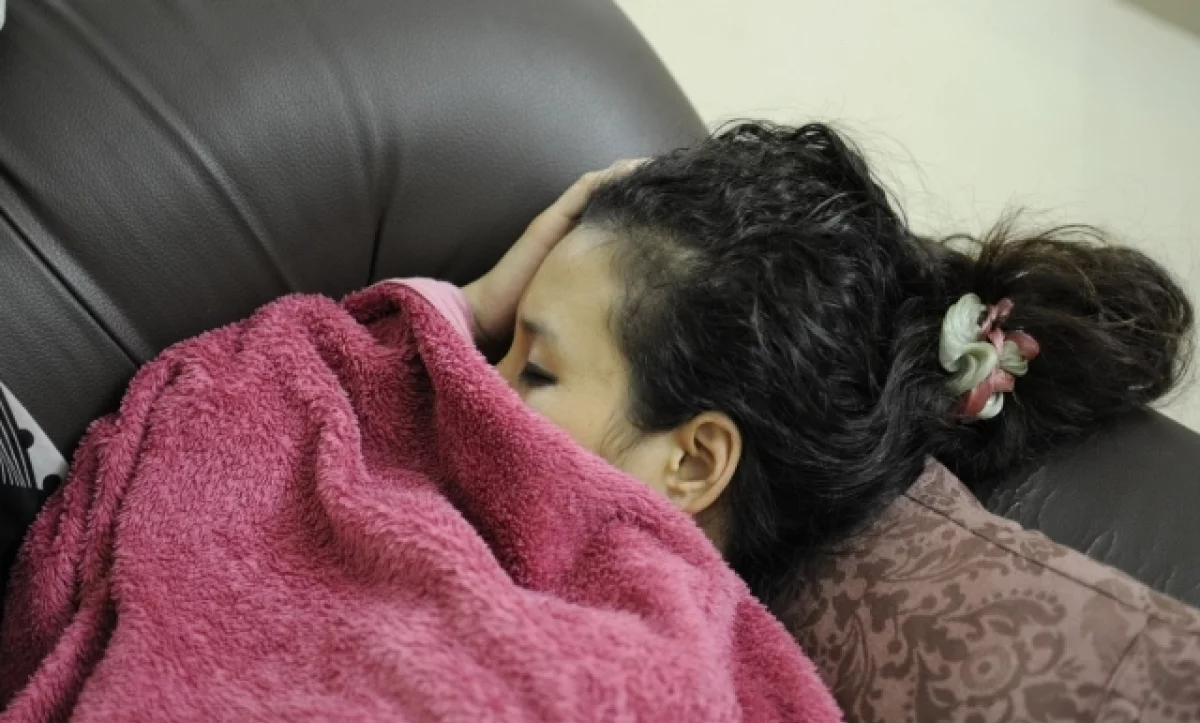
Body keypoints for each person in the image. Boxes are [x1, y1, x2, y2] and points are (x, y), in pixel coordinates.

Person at [418, 121, 1193, 609]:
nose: (475, 373)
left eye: (536, 368)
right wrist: (473, 304)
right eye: (499, 343)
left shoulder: (640, 686)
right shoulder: (447, 491)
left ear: (693, 461)